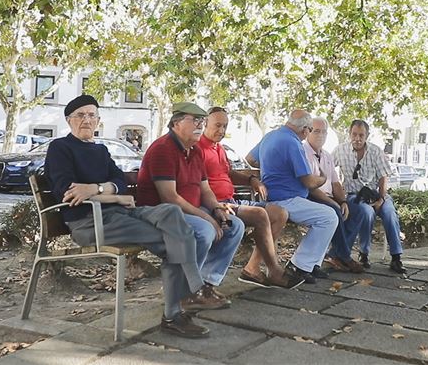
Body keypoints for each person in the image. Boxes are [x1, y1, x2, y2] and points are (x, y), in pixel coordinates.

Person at [45, 95, 223, 339]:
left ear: (98, 120)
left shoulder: (100, 150)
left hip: (120, 214)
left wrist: (98, 190)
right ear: (69, 120)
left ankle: (189, 298)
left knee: (171, 213)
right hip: (90, 223)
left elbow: (120, 183)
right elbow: (68, 192)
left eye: (91, 115)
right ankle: (182, 305)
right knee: (176, 239)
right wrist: (111, 194)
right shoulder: (60, 148)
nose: (86, 120)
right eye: (80, 115)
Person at [136, 102, 245, 307]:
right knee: (204, 230)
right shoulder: (163, 149)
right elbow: (170, 197)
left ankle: (205, 283)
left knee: (234, 225)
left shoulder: (194, 151)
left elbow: (205, 190)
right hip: (161, 213)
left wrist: (216, 209)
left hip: (187, 210)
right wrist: (206, 217)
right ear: (176, 123)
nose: (200, 126)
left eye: (202, 121)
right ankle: (186, 291)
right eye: (194, 120)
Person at [198, 106, 305, 288]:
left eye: (225, 126)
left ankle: (252, 269)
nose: (222, 131)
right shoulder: (197, 149)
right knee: (260, 214)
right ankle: (275, 271)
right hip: (217, 205)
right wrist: (217, 205)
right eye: (217, 126)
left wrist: (252, 179)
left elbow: (228, 173)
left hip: (232, 201)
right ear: (204, 124)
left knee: (279, 213)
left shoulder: (220, 149)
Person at [245, 110, 339, 284]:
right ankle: (300, 266)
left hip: (274, 197)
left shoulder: (271, 136)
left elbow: (250, 159)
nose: (309, 134)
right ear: (304, 129)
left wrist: (271, 168)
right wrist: (323, 178)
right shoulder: (292, 143)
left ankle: (310, 265)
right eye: (310, 130)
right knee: (329, 217)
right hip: (286, 199)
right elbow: (309, 182)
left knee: (328, 213)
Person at [333, 119, 407, 274]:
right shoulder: (340, 150)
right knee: (366, 212)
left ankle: (396, 257)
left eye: (361, 135)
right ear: (349, 134)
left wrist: (381, 198)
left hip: (375, 193)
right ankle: (364, 253)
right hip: (355, 195)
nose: (357, 139)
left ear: (367, 136)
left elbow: (383, 176)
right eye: (354, 134)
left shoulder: (375, 151)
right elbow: (328, 168)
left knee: (389, 213)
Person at [303, 117, 366, 273]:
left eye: (324, 132)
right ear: (308, 132)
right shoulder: (302, 152)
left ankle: (335, 254)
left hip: (329, 197)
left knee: (358, 209)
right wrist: (334, 203)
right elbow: (309, 187)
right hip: (311, 196)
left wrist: (343, 201)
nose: (321, 135)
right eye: (316, 131)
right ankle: (344, 255)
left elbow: (335, 183)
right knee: (334, 211)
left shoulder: (327, 156)